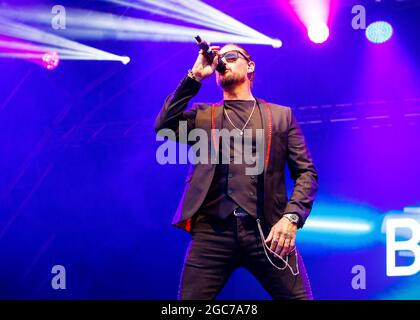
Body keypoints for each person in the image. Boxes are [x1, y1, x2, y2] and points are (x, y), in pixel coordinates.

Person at [154, 43, 318, 300]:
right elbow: (164, 126)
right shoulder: (203, 116)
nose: (223, 62)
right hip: (212, 233)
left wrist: (291, 218)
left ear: (250, 66)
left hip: (267, 231)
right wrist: (194, 76)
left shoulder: (280, 116)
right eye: (220, 59)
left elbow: (306, 173)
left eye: (230, 57)